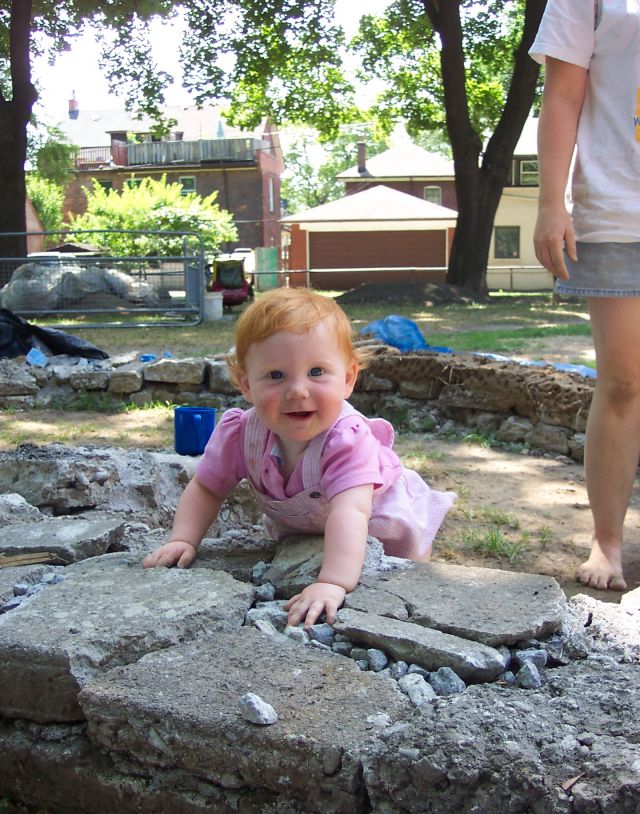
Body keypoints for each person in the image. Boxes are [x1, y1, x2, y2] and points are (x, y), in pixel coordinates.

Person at [143, 287, 456, 626]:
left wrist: (333, 582)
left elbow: (351, 511)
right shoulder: (241, 434)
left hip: (381, 519)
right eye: (276, 375)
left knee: (398, 581)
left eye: (317, 372)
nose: (297, 390)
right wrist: (183, 539)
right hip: (313, 526)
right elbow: (207, 487)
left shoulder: (346, 438)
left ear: (348, 379)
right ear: (246, 385)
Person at [531, 0, 640, 592]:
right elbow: (563, 93)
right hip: (620, 209)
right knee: (624, 383)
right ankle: (607, 541)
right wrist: (551, 202)